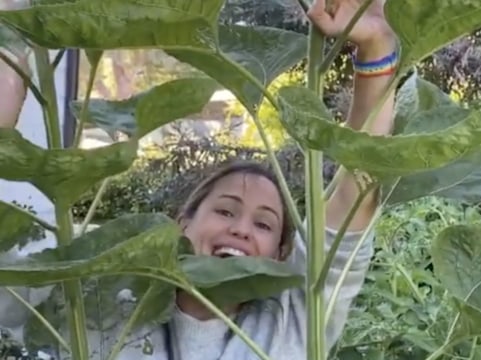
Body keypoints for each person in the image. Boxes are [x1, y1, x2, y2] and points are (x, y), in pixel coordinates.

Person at [0, 0, 398, 358]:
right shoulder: (104, 304)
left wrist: (376, 44)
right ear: (181, 224)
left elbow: (356, 191)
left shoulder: (291, 320)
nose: (241, 229)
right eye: (225, 211)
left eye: (263, 224)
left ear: (281, 255)